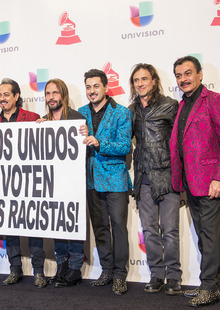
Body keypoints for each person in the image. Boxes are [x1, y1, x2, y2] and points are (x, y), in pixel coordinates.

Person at [170, 56, 220, 307]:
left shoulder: (217, 101)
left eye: (188, 73)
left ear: (200, 74)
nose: (183, 79)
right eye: (178, 75)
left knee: (208, 237)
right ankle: (214, 285)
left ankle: (208, 287)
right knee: (203, 237)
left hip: (211, 183)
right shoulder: (182, 105)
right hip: (191, 183)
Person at [128, 63, 182, 295]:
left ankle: (174, 277)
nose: (140, 83)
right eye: (136, 80)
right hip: (143, 178)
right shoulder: (130, 111)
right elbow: (121, 137)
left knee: (170, 231)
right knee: (149, 231)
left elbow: (179, 143)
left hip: (167, 176)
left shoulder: (170, 105)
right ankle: (156, 275)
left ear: (154, 81)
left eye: (144, 79)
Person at [0, 78, 47, 288]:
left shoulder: (32, 118)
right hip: (4, 185)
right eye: (0, 95)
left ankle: (39, 272)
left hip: (29, 183)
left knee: (33, 228)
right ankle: (15, 270)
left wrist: (45, 127)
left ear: (16, 96)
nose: (2, 99)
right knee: (9, 228)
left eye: (7, 94)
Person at [78, 69, 132, 295]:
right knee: (100, 228)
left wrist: (99, 143)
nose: (92, 91)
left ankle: (120, 275)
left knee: (118, 228)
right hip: (90, 180)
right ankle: (106, 270)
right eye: (88, 87)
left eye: (96, 86)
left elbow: (125, 146)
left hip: (115, 180)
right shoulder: (80, 113)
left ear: (105, 87)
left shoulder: (121, 112)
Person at [39, 78, 86, 288]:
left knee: (72, 224)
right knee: (57, 225)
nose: (51, 97)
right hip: (51, 184)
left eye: (55, 93)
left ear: (63, 95)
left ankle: (75, 269)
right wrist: (36, 132)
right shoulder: (42, 121)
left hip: (73, 183)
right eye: (48, 93)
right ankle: (61, 267)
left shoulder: (77, 119)